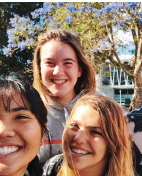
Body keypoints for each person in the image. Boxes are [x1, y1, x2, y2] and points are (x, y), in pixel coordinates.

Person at [41, 94, 142, 176]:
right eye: (74, 126)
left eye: (95, 132)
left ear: (113, 143)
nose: (78, 138)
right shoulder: (52, 170)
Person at [33, 29, 96, 164]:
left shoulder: (100, 111)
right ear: (39, 68)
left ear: (79, 70)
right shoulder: (27, 113)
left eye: (68, 63)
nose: (58, 71)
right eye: (50, 63)